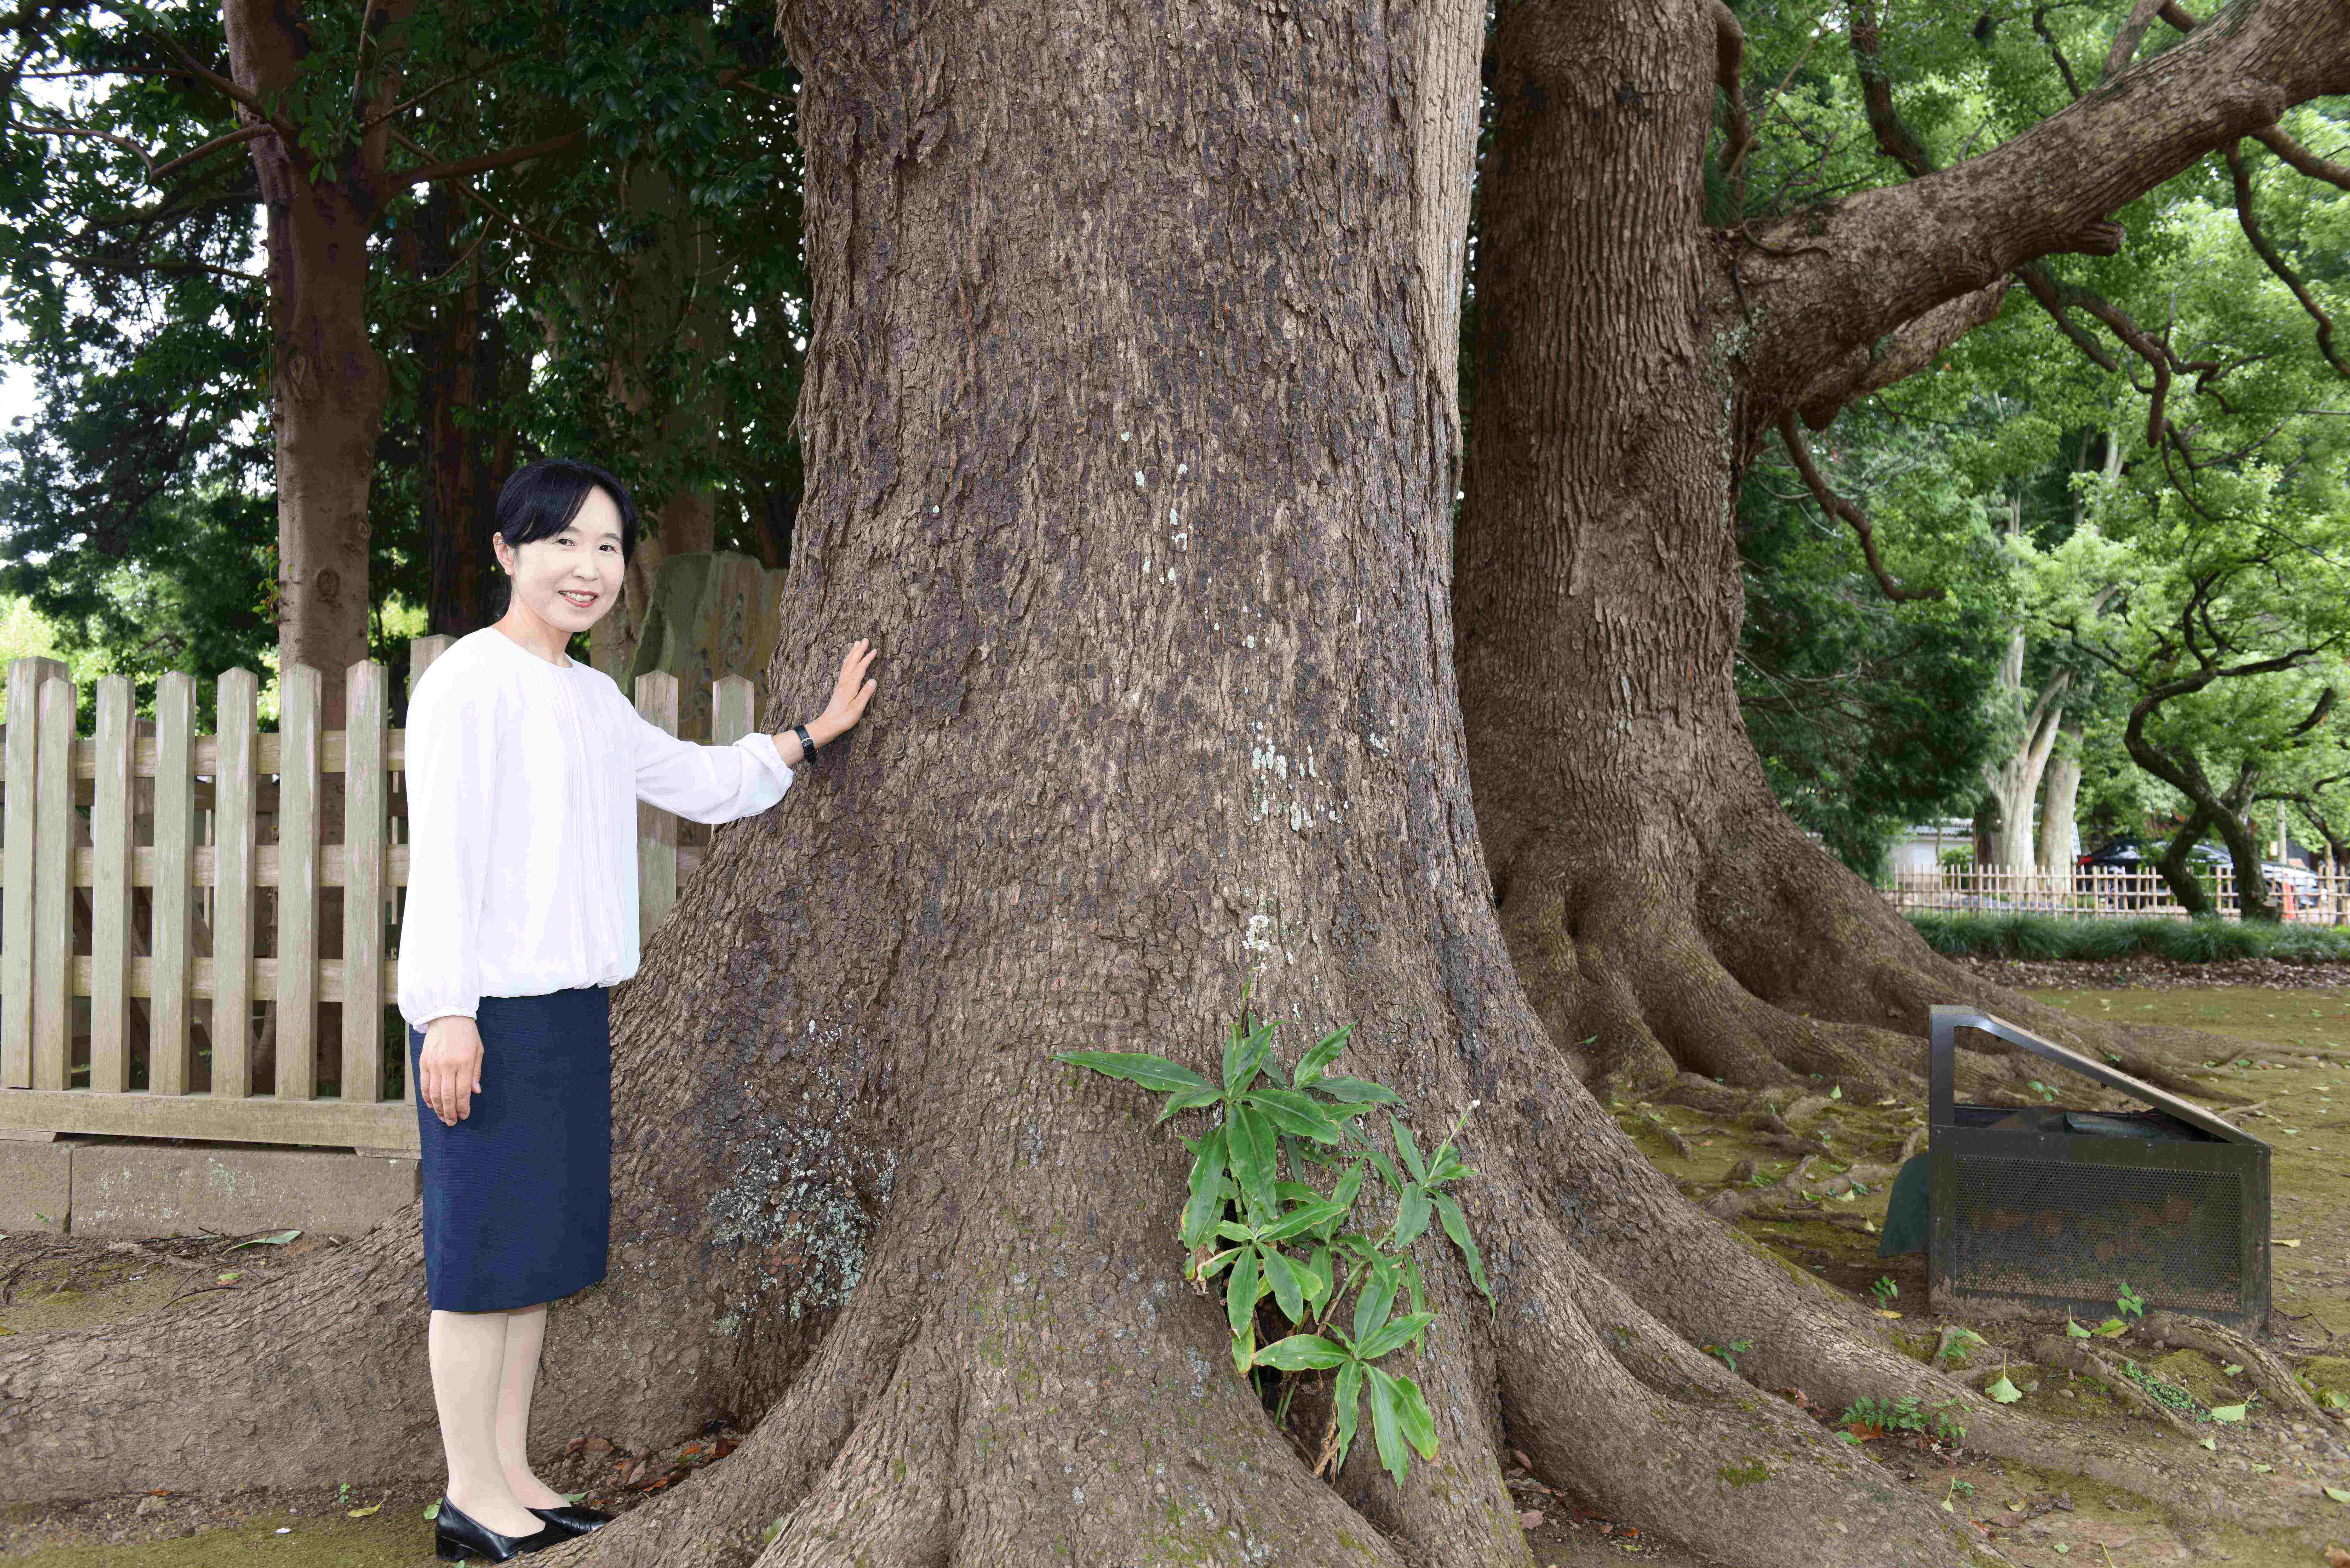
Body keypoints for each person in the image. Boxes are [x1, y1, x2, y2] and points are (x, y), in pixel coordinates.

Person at [394, 458, 877, 1562]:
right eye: (562, 541)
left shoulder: (590, 695)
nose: (588, 566)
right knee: (476, 1265)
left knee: (535, 1260)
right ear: (509, 554)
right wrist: (448, 1015)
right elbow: (446, 862)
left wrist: (808, 736)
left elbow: (699, 780)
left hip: (568, 1014)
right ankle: (469, 1497)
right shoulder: (468, 682)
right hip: (484, 1018)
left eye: (608, 547)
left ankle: (514, 1472)